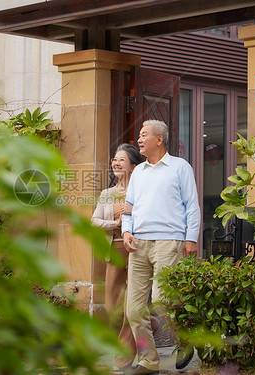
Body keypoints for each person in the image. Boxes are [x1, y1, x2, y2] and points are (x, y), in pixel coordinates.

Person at [122, 120, 201, 374]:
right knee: (134, 309)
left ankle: (184, 339)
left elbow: (192, 206)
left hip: (169, 241)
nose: (139, 139)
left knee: (162, 300)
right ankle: (149, 360)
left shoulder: (180, 167)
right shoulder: (139, 173)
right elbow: (128, 208)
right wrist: (126, 231)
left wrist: (192, 238)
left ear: (160, 139)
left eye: (144, 135)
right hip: (139, 244)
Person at [92, 143, 156, 369]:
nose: (115, 163)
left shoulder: (140, 192)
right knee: (112, 307)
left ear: (133, 166)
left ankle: (123, 358)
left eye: (121, 160)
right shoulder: (107, 194)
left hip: (137, 251)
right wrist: (115, 223)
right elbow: (94, 220)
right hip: (115, 252)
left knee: (132, 306)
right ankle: (150, 327)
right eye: (114, 160)